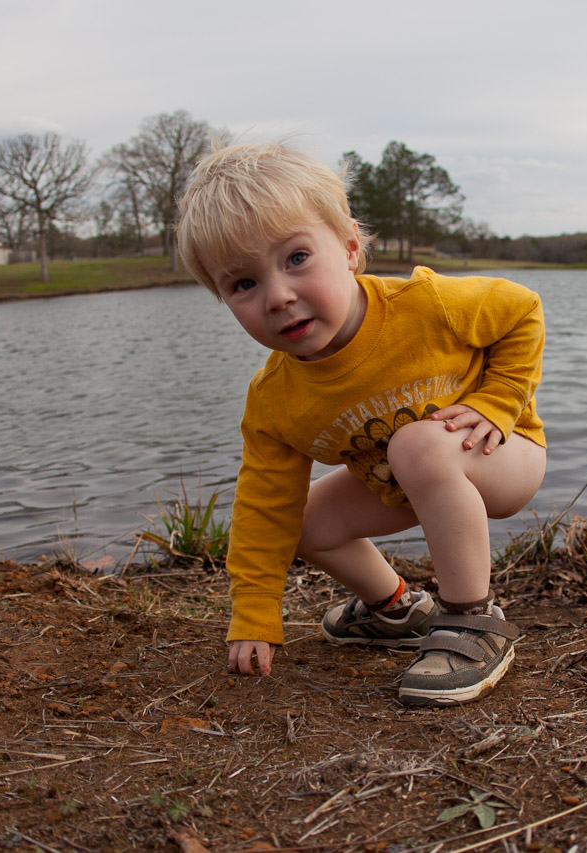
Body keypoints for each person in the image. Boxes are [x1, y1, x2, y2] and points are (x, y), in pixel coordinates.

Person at [175, 142, 546, 706]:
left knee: (418, 446)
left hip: (500, 453)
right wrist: (254, 611)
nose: (278, 296)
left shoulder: (426, 304)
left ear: (350, 247)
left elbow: (521, 310)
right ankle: (396, 609)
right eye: (243, 284)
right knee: (298, 521)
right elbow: (263, 506)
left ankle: (473, 620)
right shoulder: (275, 400)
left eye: (297, 258)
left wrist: (499, 400)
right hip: (400, 480)